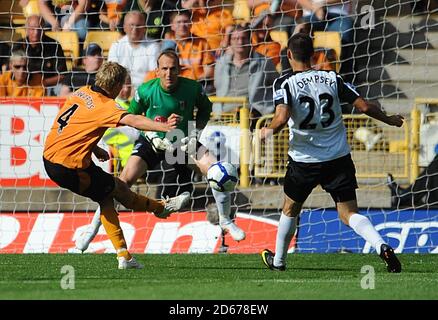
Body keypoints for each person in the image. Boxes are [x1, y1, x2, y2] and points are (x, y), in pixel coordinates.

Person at [259, 33, 404, 273]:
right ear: (314, 54)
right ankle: (381, 246)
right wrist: (389, 120)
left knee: (290, 209)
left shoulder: (284, 83)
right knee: (349, 213)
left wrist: (268, 130)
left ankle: (279, 261)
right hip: (338, 158)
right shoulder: (332, 78)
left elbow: (282, 117)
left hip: (304, 161)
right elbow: (365, 106)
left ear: (288, 55)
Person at [74, 50, 245, 253]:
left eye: (173, 68)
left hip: (183, 141)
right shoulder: (146, 90)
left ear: (180, 69)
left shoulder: (192, 88)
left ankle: (225, 220)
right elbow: (132, 116)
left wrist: (195, 131)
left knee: (219, 171)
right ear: (157, 71)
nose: (168, 73)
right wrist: (152, 134)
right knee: (120, 183)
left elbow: (205, 110)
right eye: (164, 68)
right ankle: (91, 232)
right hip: (151, 141)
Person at [43, 61, 190, 269]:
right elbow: (134, 120)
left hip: (51, 155)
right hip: (69, 166)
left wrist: (94, 148)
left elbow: (72, 125)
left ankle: (124, 256)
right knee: (118, 190)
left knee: (107, 195)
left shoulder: (81, 93)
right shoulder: (107, 106)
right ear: (117, 85)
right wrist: (164, 126)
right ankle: (161, 208)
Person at [213, 24, 278, 120]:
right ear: (230, 42)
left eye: (243, 38)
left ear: (250, 40)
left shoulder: (264, 62)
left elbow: (276, 85)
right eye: (235, 39)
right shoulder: (221, 63)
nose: (240, 42)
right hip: (225, 114)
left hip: (255, 115)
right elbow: (218, 87)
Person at [12, 15, 67, 93]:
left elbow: (62, 75)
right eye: (32, 29)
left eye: (39, 29)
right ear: (26, 30)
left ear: (44, 29)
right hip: (22, 85)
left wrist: (40, 83)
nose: (36, 32)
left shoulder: (54, 45)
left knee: (62, 89)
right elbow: (9, 71)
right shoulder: (18, 46)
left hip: (48, 86)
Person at [108, 10, 160, 91]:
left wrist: (139, 92)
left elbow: (154, 75)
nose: (135, 29)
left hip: (145, 91)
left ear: (144, 28)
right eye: (131, 25)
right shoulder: (116, 46)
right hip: (120, 91)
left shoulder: (153, 46)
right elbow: (112, 73)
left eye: (138, 25)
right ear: (124, 27)